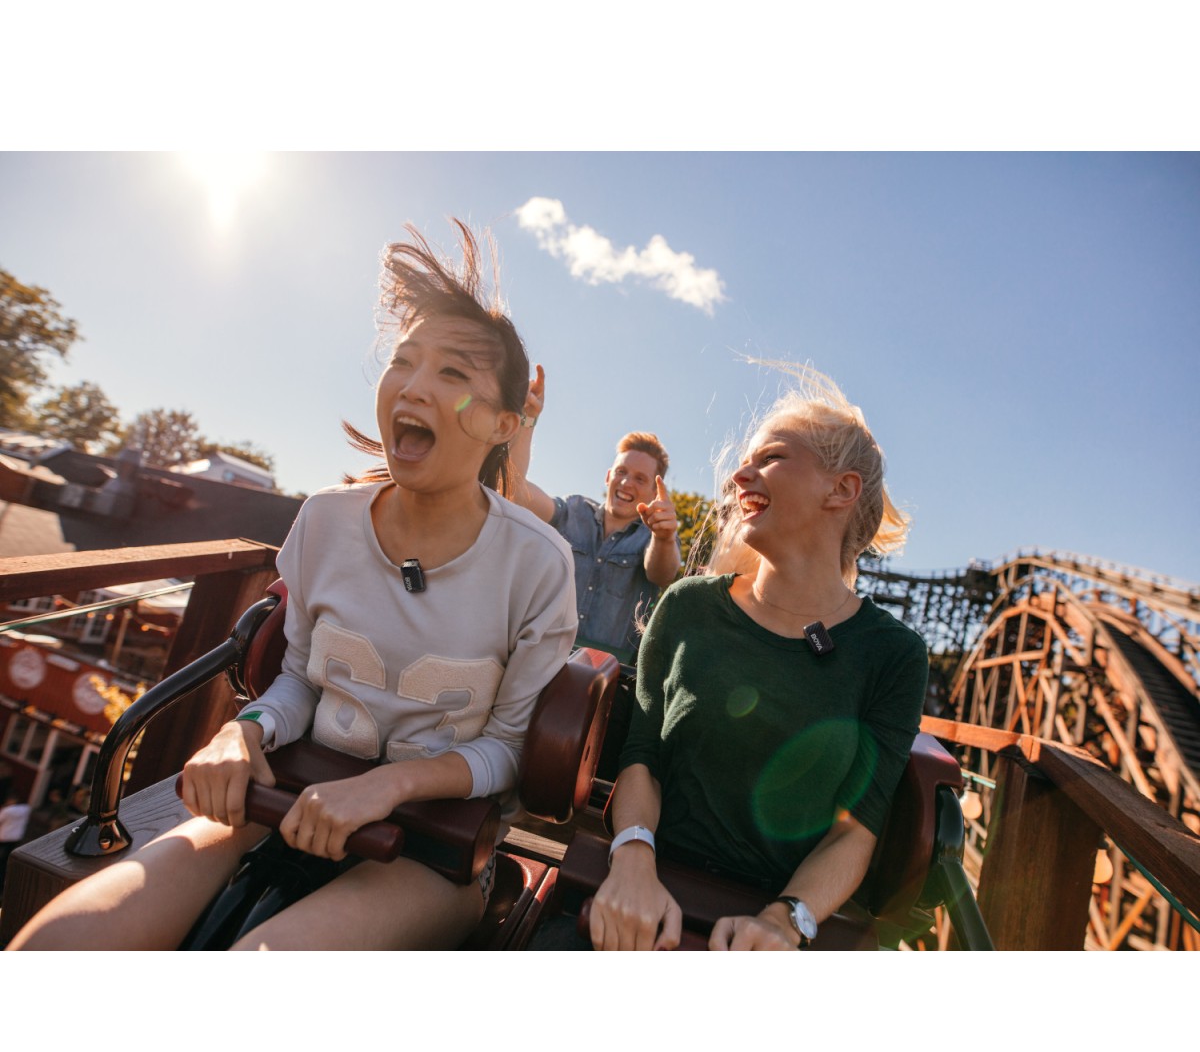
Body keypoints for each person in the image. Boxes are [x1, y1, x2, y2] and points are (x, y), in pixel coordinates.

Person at [10, 220, 577, 952]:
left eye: (453, 374)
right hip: (288, 793)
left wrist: (389, 785)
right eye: (404, 361)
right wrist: (241, 731)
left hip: (434, 848)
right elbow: (302, 682)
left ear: (503, 423)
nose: (413, 386)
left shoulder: (538, 563)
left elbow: (507, 753)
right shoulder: (324, 520)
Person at [580, 361, 929, 950]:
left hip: (771, 927)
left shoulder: (893, 655)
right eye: (746, 460)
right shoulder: (689, 606)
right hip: (644, 890)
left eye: (771, 458)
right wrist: (633, 860)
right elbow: (643, 755)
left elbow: (856, 829)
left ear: (841, 490)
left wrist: (784, 921)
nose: (740, 474)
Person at [508, 365, 680, 660]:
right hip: (537, 657)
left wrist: (664, 538)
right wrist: (527, 420)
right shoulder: (573, 510)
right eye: (621, 472)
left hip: (607, 675)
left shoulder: (654, 537)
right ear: (608, 476)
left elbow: (662, 574)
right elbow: (514, 491)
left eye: (640, 479)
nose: (626, 483)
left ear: (654, 492)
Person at [0, 792, 32, 884]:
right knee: (7, 857)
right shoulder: (26, 809)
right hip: (16, 837)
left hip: (4, 836)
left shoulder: (7, 811)